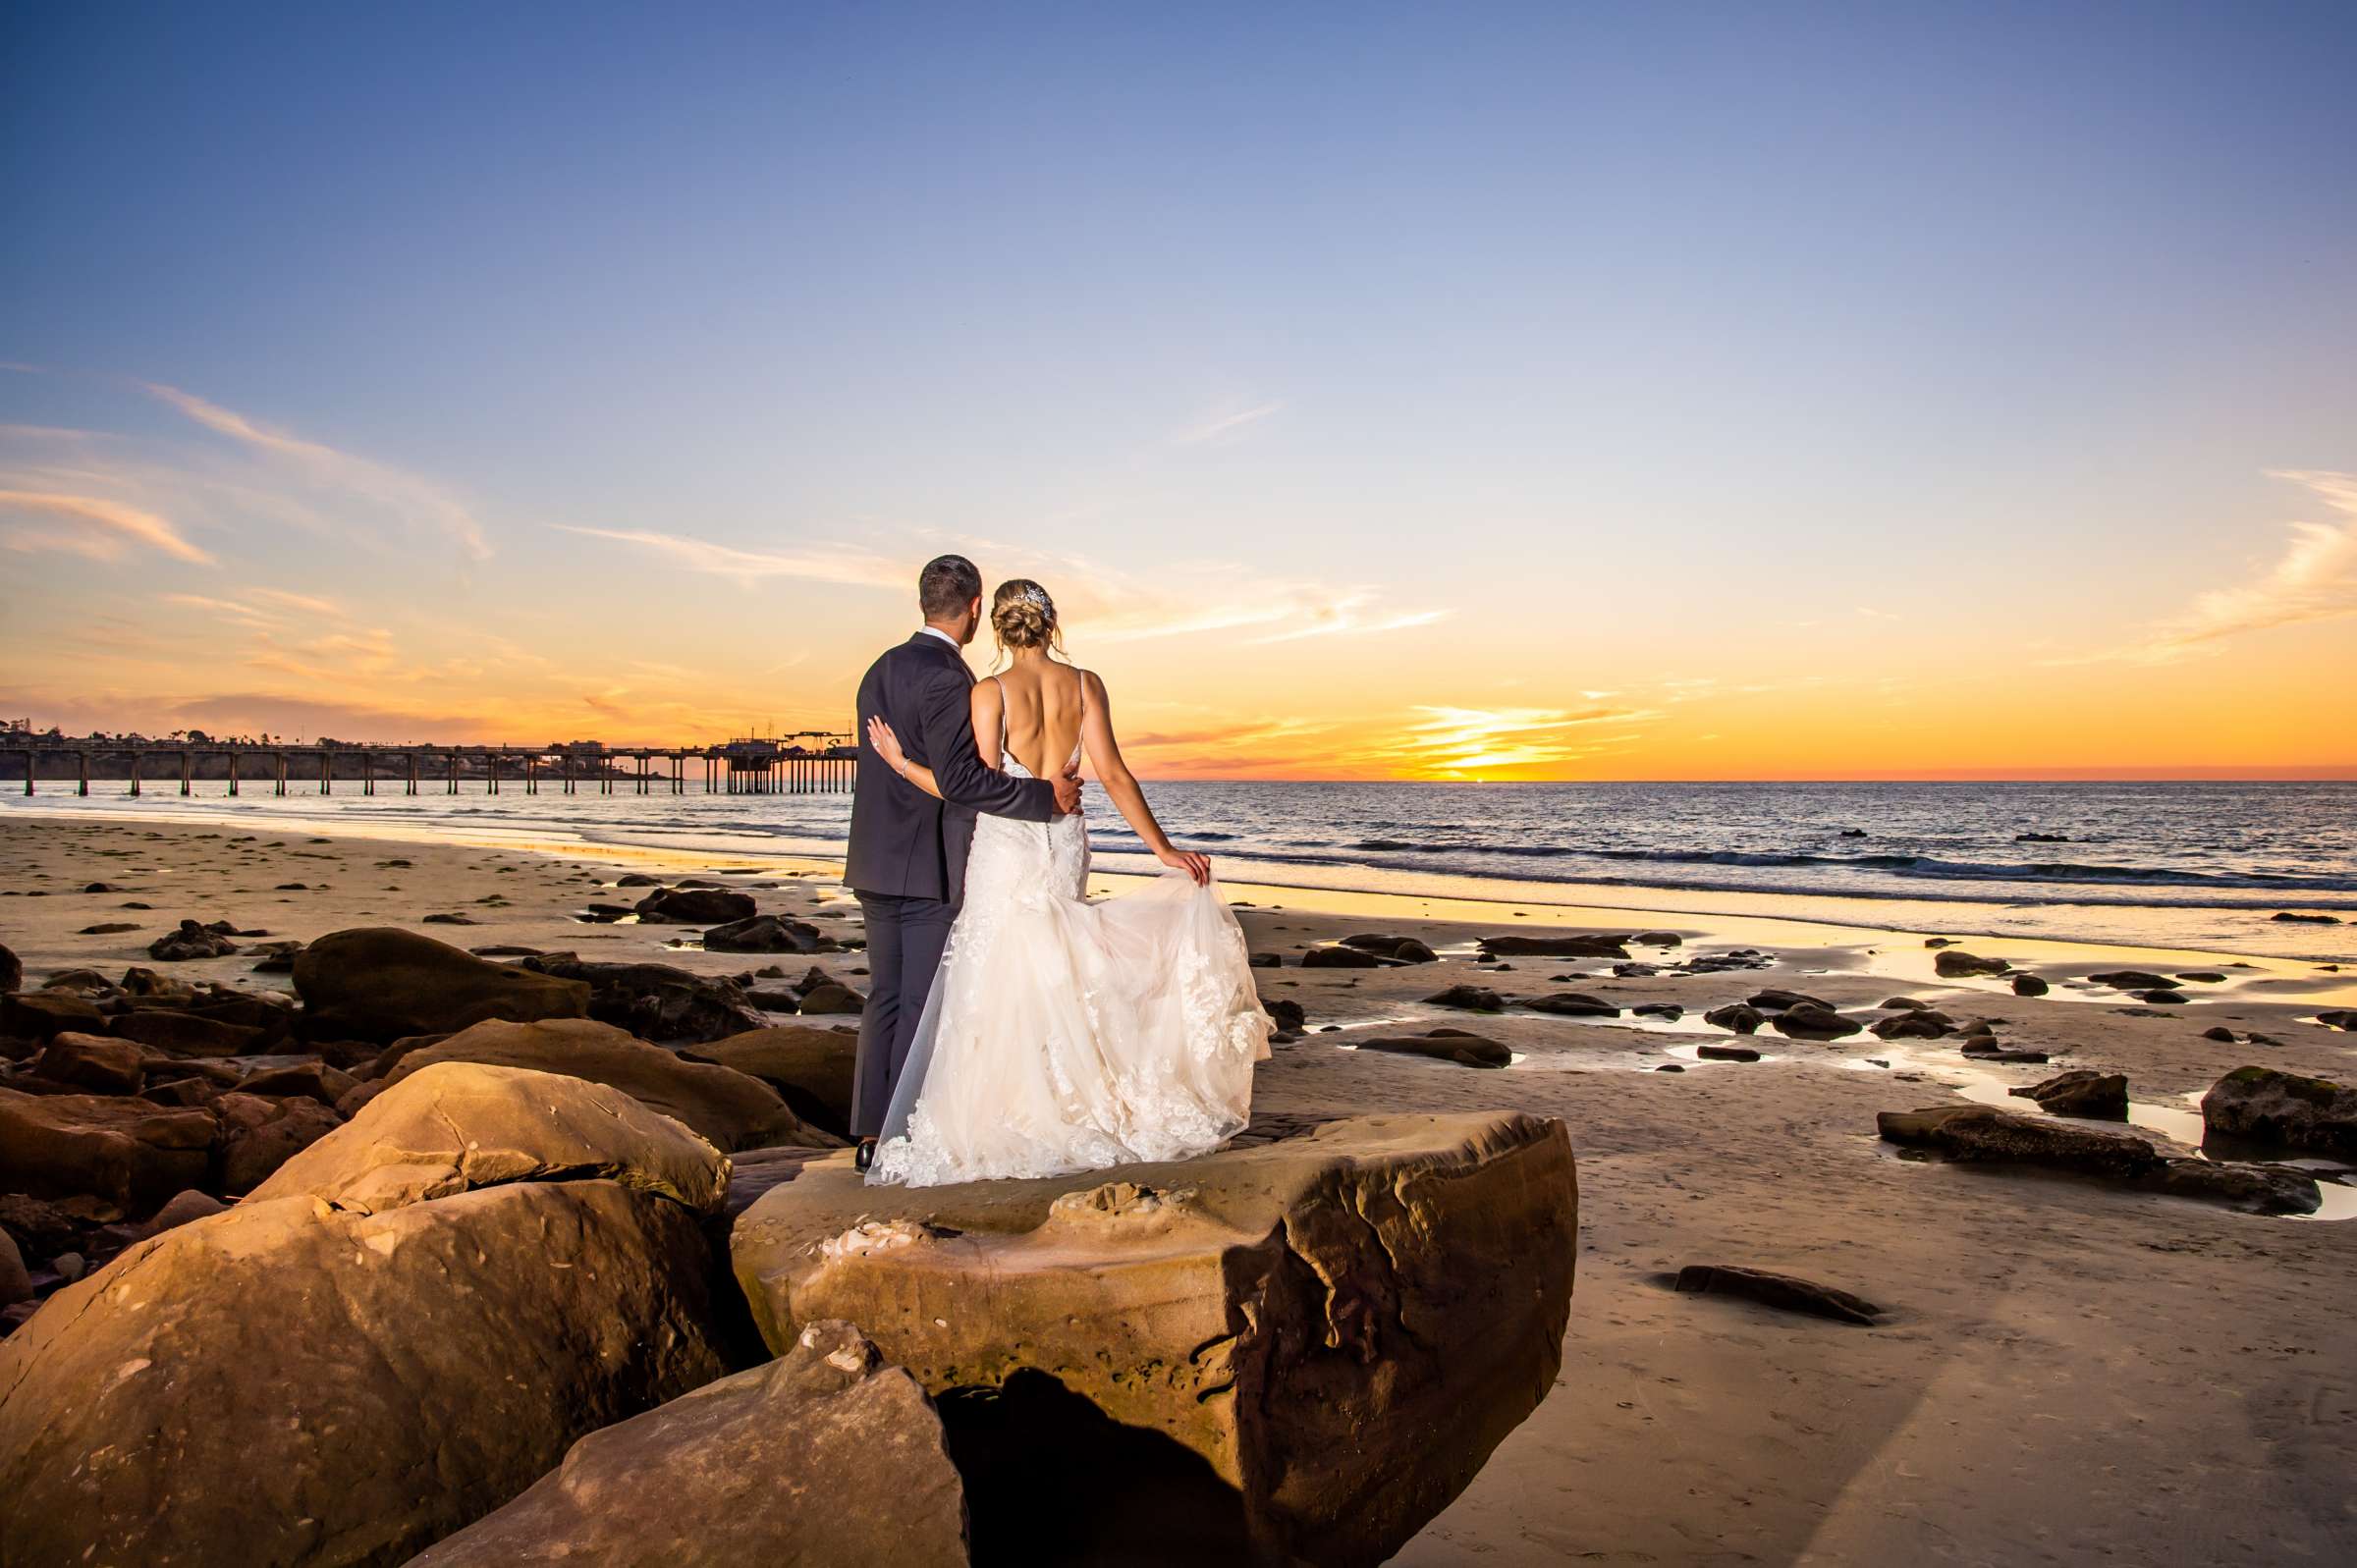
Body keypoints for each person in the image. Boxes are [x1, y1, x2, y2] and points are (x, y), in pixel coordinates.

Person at [861, 576, 1271, 1187]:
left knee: (998, 969)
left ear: (995, 625)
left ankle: (1006, 1109)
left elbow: (963, 786)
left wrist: (899, 764)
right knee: (1062, 961)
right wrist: (1162, 848)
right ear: (1051, 624)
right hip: (1064, 843)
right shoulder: (1086, 684)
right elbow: (1112, 772)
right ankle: (1072, 1100)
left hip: (1007, 845)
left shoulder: (990, 692)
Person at [844, 556, 1082, 1173]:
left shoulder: (880, 668)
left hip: (874, 858)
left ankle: (869, 1130)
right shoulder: (950, 678)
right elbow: (962, 781)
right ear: (974, 607)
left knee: (884, 997)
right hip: (930, 861)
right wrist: (1042, 798)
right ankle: (898, 1137)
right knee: (921, 1003)